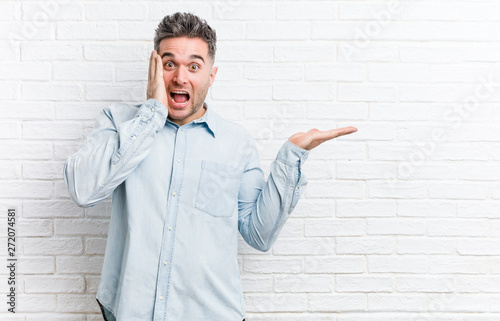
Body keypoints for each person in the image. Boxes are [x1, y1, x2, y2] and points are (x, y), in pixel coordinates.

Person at [64, 12, 357, 321]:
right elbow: (84, 191)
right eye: (169, 64)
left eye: (194, 66)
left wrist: (292, 156)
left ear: (211, 76)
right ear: (154, 69)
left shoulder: (237, 143)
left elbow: (260, 235)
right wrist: (151, 115)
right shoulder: (118, 122)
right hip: (130, 312)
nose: (180, 78)